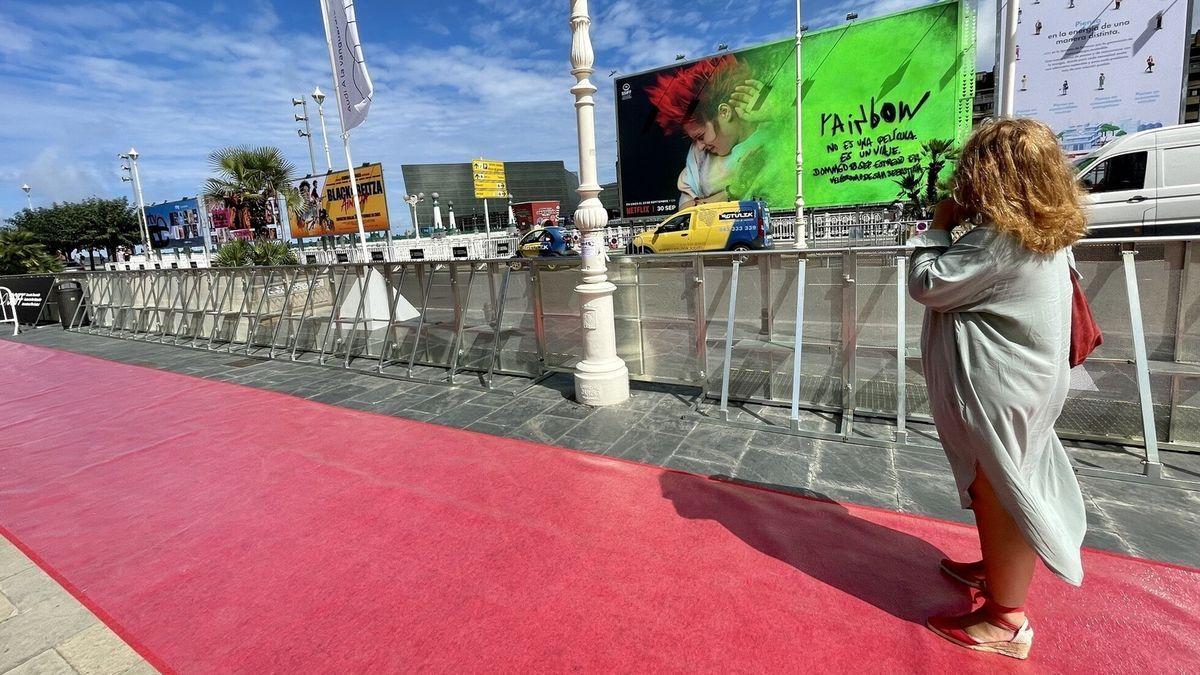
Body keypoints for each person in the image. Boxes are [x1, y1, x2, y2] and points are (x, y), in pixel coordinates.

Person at [907, 118, 1088, 660]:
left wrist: (936, 226)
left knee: (1001, 488)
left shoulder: (1000, 241)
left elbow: (928, 283)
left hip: (1003, 387)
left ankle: (1005, 618)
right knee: (999, 484)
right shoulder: (1042, 231)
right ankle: (997, 566)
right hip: (1023, 384)